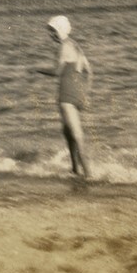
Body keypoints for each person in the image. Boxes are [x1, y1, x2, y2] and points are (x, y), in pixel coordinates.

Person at [40, 15, 93, 179]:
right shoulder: (76, 46)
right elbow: (89, 72)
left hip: (66, 95)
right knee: (68, 132)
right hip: (78, 94)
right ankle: (75, 170)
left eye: (53, 31)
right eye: (50, 31)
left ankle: (89, 176)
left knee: (76, 136)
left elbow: (57, 72)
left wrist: (36, 69)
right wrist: (85, 93)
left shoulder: (63, 47)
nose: (51, 35)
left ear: (60, 30)